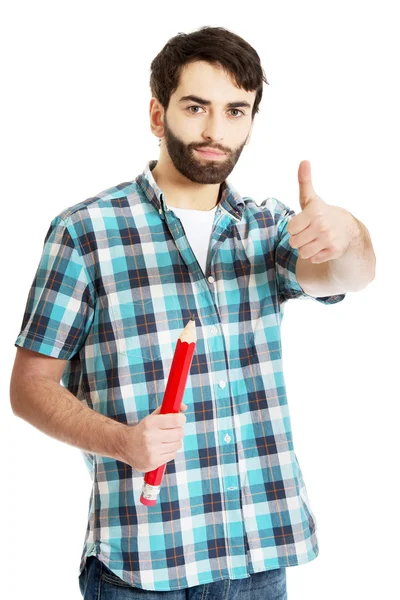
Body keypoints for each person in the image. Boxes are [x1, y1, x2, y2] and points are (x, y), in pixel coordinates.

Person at [10, 25, 375, 600]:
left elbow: (349, 275)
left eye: (235, 111)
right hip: (142, 565)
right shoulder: (85, 233)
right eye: (196, 107)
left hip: (258, 560)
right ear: (157, 115)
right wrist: (122, 442)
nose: (214, 131)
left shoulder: (268, 227)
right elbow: (29, 387)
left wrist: (349, 233)